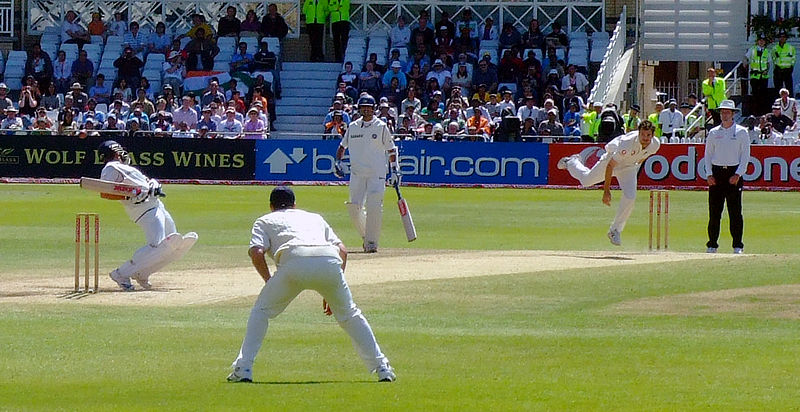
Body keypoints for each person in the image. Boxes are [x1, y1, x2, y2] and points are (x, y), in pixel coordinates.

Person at [226, 186, 396, 383]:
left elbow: (256, 252)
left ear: (271, 206)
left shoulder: (264, 220)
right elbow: (342, 250)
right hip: (329, 261)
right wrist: (330, 291)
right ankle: (383, 368)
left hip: (293, 260)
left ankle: (244, 368)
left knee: (261, 311)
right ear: (295, 204)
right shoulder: (314, 217)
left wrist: (269, 281)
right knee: (350, 315)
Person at [97, 141, 198, 291]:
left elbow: (143, 183)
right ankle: (121, 273)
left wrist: (153, 184)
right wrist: (131, 195)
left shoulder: (126, 168)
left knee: (173, 245)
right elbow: (105, 192)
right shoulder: (111, 167)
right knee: (157, 245)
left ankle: (142, 273)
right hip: (143, 209)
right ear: (116, 152)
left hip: (156, 205)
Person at [557, 120, 661, 246]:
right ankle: (571, 162)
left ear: (653, 135)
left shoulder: (655, 144)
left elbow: (645, 156)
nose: (645, 138)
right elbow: (611, 166)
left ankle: (615, 230)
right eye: (643, 135)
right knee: (586, 181)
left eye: (648, 135)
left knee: (630, 197)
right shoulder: (627, 144)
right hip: (611, 160)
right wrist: (606, 191)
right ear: (638, 133)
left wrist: (636, 163)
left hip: (628, 167)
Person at [334, 95, 399, 253]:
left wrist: (395, 170)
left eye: (369, 107)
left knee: (374, 206)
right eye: (363, 107)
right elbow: (342, 147)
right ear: (359, 108)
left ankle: (371, 243)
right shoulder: (353, 126)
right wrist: (338, 162)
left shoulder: (381, 126)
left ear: (374, 108)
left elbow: (391, 150)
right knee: (353, 208)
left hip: (377, 174)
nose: (366, 109)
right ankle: (366, 236)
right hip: (357, 174)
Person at [704, 100, 750, 254]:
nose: (724, 115)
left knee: (735, 212)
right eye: (722, 112)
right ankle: (712, 244)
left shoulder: (742, 132)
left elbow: (745, 156)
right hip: (717, 174)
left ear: (733, 114)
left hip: (733, 174)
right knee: (714, 212)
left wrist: (738, 174)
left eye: (727, 112)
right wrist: (709, 174)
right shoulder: (714, 132)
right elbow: (708, 155)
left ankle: (737, 245)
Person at [746, 35, 771, 115]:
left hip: (763, 76)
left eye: (763, 41)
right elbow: (746, 57)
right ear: (757, 41)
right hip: (755, 76)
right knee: (755, 94)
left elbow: (768, 63)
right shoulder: (752, 49)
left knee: (763, 94)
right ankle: (754, 112)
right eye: (760, 40)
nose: (761, 42)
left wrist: (766, 70)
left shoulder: (767, 51)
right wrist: (744, 63)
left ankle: (762, 112)